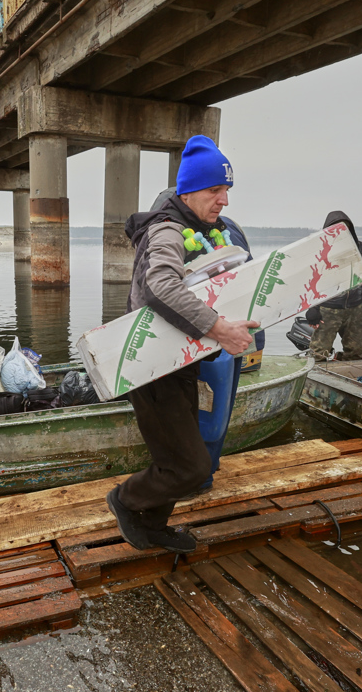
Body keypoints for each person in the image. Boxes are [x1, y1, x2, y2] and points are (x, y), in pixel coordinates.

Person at [106, 135, 258, 555]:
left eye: (226, 190)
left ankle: (152, 525)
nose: (224, 200)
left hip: (180, 362)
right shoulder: (168, 230)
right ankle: (125, 500)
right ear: (188, 190)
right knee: (192, 466)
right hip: (152, 367)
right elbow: (159, 285)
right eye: (215, 190)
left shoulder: (204, 230)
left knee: (178, 459)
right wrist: (219, 328)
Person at [149, 187, 267, 493]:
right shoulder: (228, 230)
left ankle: (198, 478)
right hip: (236, 333)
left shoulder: (185, 236)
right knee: (219, 409)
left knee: (202, 410)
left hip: (209, 339)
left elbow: (168, 292)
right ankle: (206, 470)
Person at [304, 211, 362, 360]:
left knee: (356, 352)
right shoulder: (319, 250)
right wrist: (313, 308)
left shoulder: (360, 247)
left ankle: (346, 372)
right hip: (328, 308)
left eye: (345, 227)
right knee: (318, 353)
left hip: (354, 309)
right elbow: (311, 281)